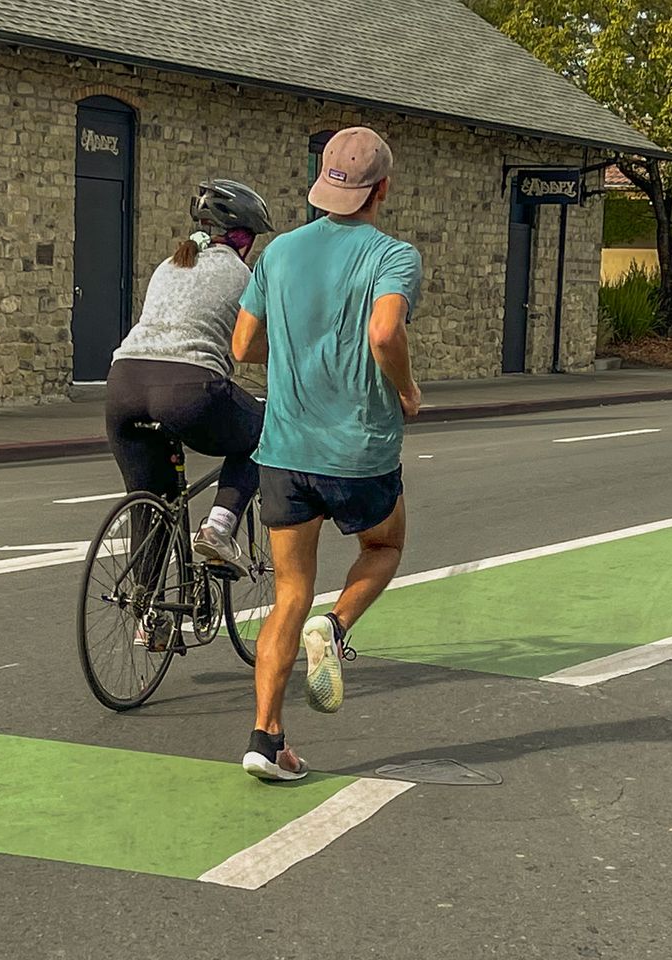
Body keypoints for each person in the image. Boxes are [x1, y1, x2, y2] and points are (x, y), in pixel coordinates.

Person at [230, 126, 422, 781]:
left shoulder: (278, 254)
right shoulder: (393, 256)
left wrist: (294, 358)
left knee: (288, 593)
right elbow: (385, 331)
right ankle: (335, 629)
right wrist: (406, 387)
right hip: (357, 451)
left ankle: (265, 740)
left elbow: (243, 346)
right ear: (383, 190)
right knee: (385, 546)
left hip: (282, 449)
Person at [104, 180, 274, 593]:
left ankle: (148, 612)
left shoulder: (169, 265)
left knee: (153, 498)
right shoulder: (243, 275)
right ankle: (219, 527)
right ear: (244, 238)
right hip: (188, 388)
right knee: (268, 429)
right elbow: (254, 344)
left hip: (123, 385)